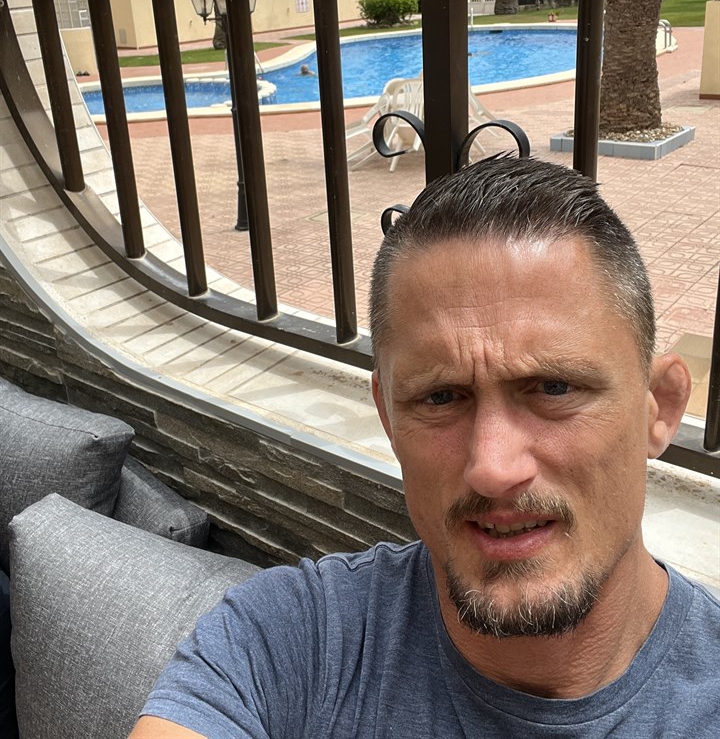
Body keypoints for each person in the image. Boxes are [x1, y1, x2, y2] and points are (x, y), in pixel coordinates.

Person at [130, 156, 719, 738]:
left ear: (659, 407)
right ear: (388, 416)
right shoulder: (285, 643)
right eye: (441, 397)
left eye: (554, 388)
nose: (492, 467)